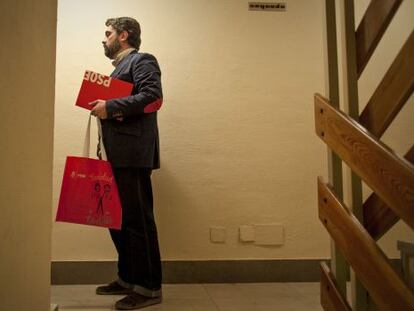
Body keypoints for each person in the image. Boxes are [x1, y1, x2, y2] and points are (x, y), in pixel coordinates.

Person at [89, 17, 163, 310]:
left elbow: (153, 98)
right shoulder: (118, 69)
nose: (103, 39)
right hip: (115, 155)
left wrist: (110, 106)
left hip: (132, 154)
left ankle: (148, 288)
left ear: (124, 35)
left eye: (107, 34)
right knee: (117, 220)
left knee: (137, 221)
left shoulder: (142, 60)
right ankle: (127, 277)